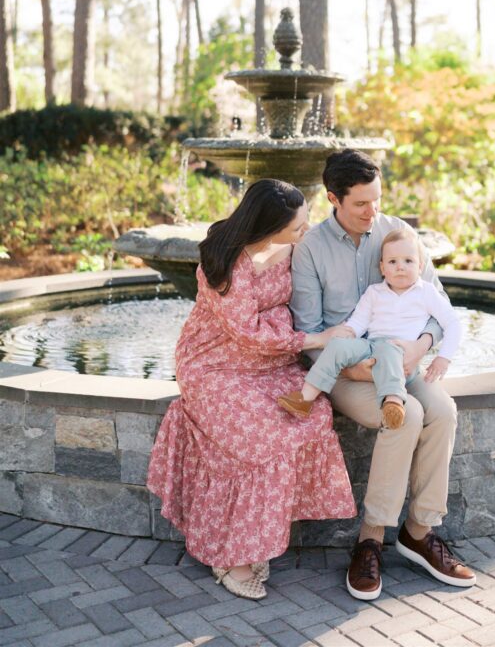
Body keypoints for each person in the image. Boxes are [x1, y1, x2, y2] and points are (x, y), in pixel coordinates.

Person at [146, 179, 356, 601]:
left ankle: (256, 536)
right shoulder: (224, 260)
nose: (305, 230)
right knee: (259, 434)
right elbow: (247, 333)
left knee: (310, 413)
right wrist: (317, 339)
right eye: (297, 226)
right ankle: (231, 553)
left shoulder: (294, 247)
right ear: (267, 226)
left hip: (272, 362)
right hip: (216, 364)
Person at [290, 150, 476, 601]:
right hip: (347, 371)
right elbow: (308, 333)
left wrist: (422, 346)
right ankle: (370, 539)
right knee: (406, 415)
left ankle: (419, 531)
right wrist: (353, 368)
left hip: (405, 363)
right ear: (333, 198)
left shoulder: (399, 235)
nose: (372, 212)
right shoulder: (311, 248)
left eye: (376, 199)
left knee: (443, 411)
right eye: (360, 203)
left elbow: (439, 306)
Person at [278, 228, 462, 431]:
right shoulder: (374, 292)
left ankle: (393, 401)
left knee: (389, 349)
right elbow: (359, 322)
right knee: (338, 346)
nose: (400, 267)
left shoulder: (426, 292)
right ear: (382, 268)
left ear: (420, 266)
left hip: (401, 355)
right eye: (392, 262)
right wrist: (347, 332)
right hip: (371, 346)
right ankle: (305, 398)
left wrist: (444, 357)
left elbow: (452, 322)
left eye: (408, 261)